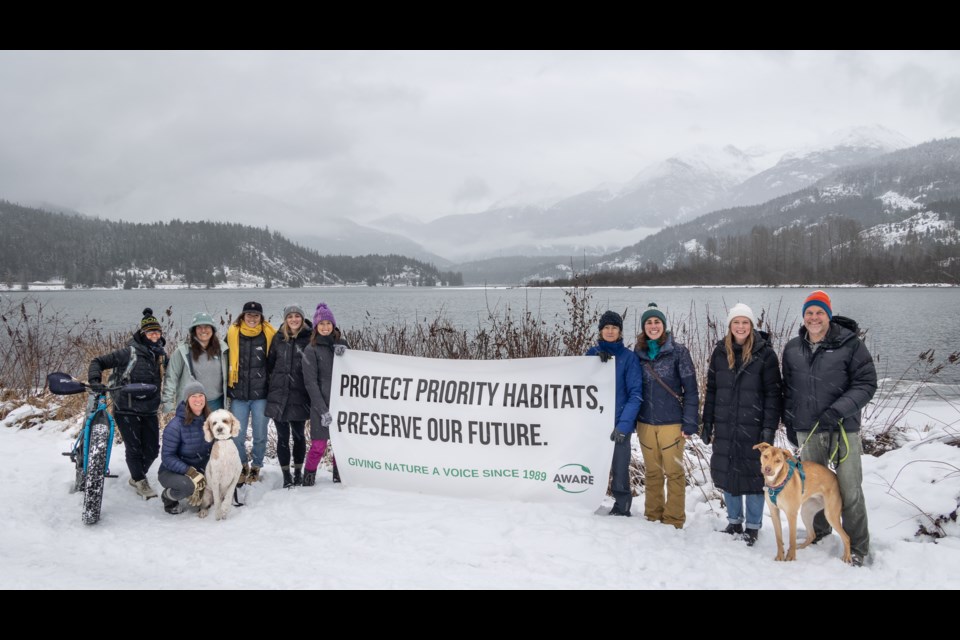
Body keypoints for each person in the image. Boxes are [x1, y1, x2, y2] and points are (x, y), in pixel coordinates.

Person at [782, 290, 876, 567]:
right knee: (813, 487)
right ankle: (820, 533)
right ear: (804, 316)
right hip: (807, 430)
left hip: (843, 428)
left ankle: (858, 546)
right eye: (809, 312)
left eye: (819, 312)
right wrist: (790, 423)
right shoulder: (792, 348)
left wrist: (838, 410)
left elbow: (866, 384)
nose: (814, 318)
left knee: (849, 489)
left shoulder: (850, 345)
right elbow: (788, 390)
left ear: (829, 315)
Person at [701, 303, 783, 545]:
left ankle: (754, 527)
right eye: (736, 322)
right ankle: (734, 521)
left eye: (745, 322)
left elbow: (773, 394)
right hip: (726, 424)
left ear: (751, 325)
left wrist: (768, 428)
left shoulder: (765, 354)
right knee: (728, 473)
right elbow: (712, 389)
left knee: (755, 478)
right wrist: (707, 422)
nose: (740, 326)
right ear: (730, 325)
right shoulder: (719, 352)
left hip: (754, 426)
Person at [88, 308, 168, 499]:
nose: (154, 335)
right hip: (126, 408)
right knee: (134, 448)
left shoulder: (161, 355)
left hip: (149, 409)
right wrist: (95, 381)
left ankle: (136, 475)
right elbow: (97, 361)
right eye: (150, 332)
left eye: (157, 332)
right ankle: (139, 480)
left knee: (152, 450)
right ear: (143, 334)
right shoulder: (129, 352)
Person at [633, 302, 699, 528]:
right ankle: (652, 515)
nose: (653, 326)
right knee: (652, 473)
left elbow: (691, 390)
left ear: (664, 325)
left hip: (672, 422)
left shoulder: (678, 352)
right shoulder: (638, 353)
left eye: (657, 322)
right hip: (645, 423)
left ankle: (673, 519)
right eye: (649, 322)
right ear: (644, 327)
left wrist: (690, 421)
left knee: (674, 473)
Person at [586, 310, 643, 516]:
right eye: (606, 328)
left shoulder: (629, 358)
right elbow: (580, 384)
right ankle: (586, 498)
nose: (610, 331)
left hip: (619, 422)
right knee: (591, 463)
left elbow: (635, 394)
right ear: (601, 331)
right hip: (595, 422)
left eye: (614, 328)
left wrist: (624, 425)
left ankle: (622, 505)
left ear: (620, 332)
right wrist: (593, 361)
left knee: (620, 466)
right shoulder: (591, 354)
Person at [227, 301, 277, 484]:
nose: (252, 318)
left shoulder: (269, 335)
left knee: (260, 434)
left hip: (261, 395)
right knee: (236, 435)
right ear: (243, 316)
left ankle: (256, 466)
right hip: (238, 394)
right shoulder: (232, 334)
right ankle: (242, 465)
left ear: (261, 317)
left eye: (256, 315)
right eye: (249, 315)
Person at [301, 303, 348, 487]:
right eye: (322, 324)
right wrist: (322, 410)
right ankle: (308, 478)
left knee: (340, 445)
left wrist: (345, 354)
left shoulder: (342, 345)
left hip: (342, 403)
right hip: (321, 405)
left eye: (329, 323)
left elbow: (353, 370)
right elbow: (310, 383)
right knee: (318, 446)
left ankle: (339, 476)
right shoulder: (310, 350)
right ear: (316, 327)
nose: (325, 327)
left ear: (334, 325)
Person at [266, 305, 313, 488]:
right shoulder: (278, 338)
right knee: (282, 437)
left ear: (302, 318)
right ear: (286, 319)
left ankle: (298, 472)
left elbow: (330, 343)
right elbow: (270, 364)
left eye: (297, 316)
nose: (294, 319)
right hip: (279, 395)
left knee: (299, 436)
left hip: (299, 395)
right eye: (290, 316)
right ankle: (286, 474)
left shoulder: (309, 338)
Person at [158, 380, 212, 515]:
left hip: (201, 469)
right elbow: (167, 457)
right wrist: (191, 473)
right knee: (187, 486)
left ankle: (198, 488)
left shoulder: (210, 420)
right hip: (172, 471)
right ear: (187, 399)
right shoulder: (175, 426)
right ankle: (168, 497)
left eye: (201, 395)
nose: (198, 399)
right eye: (193, 396)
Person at [162, 311, 229, 413]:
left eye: (207, 326)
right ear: (194, 330)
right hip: (191, 405)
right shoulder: (183, 352)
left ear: (213, 329)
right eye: (199, 327)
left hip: (217, 405)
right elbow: (171, 379)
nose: (203, 330)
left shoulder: (222, 349)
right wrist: (168, 406)